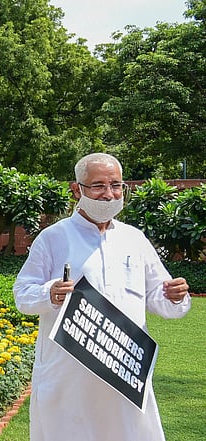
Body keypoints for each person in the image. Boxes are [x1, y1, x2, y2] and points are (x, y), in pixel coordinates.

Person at [13, 152, 191, 441]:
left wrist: (174, 295)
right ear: (76, 190)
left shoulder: (134, 238)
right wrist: (50, 293)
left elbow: (160, 298)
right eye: (98, 186)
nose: (109, 194)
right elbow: (23, 294)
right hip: (69, 372)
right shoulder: (53, 238)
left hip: (126, 369)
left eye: (116, 185)